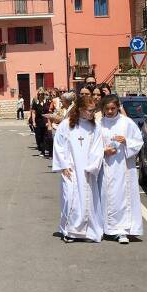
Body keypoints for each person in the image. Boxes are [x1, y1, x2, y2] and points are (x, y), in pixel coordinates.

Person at [53, 95, 105, 243]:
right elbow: (59, 146)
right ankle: (70, 231)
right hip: (70, 169)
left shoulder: (95, 127)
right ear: (80, 109)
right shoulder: (66, 125)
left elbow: (97, 148)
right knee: (70, 198)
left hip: (87, 171)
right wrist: (63, 165)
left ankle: (88, 232)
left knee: (88, 201)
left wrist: (93, 166)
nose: (92, 113)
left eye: (93, 110)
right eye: (89, 110)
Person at [99, 95, 143, 244]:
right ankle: (106, 228)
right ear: (103, 109)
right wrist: (103, 151)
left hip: (123, 168)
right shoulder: (100, 124)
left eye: (113, 108)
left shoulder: (127, 123)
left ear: (118, 107)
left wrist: (126, 142)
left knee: (123, 198)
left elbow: (138, 142)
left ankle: (122, 230)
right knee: (106, 197)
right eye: (107, 109)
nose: (110, 111)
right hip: (105, 168)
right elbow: (92, 147)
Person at [30, 88, 49, 156]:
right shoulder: (36, 102)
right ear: (38, 95)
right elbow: (33, 112)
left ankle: (43, 151)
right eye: (40, 94)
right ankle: (41, 148)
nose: (41, 95)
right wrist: (34, 122)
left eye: (43, 94)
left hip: (45, 120)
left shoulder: (47, 101)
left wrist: (48, 121)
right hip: (38, 121)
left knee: (45, 136)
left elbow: (49, 112)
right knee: (39, 136)